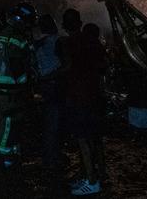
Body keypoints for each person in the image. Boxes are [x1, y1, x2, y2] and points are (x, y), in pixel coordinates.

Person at [63, 22, 107, 196]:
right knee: (96, 140)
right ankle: (99, 174)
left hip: (82, 101)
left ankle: (91, 182)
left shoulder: (76, 47)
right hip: (96, 101)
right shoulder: (97, 50)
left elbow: (68, 69)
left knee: (83, 141)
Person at [0, 1, 36, 169]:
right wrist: (26, 85)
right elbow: (17, 64)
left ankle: (12, 154)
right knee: (9, 122)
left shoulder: (4, 34)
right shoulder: (16, 37)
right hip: (12, 88)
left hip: (3, 86)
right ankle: (5, 157)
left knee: (11, 122)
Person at [32, 14, 63, 172]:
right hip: (55, 86)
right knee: (55, 124)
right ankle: (53, 160)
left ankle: (48, 158)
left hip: (44, 87)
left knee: (48, 124)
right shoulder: (57, 41)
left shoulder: (37, 44)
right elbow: (64, 65)